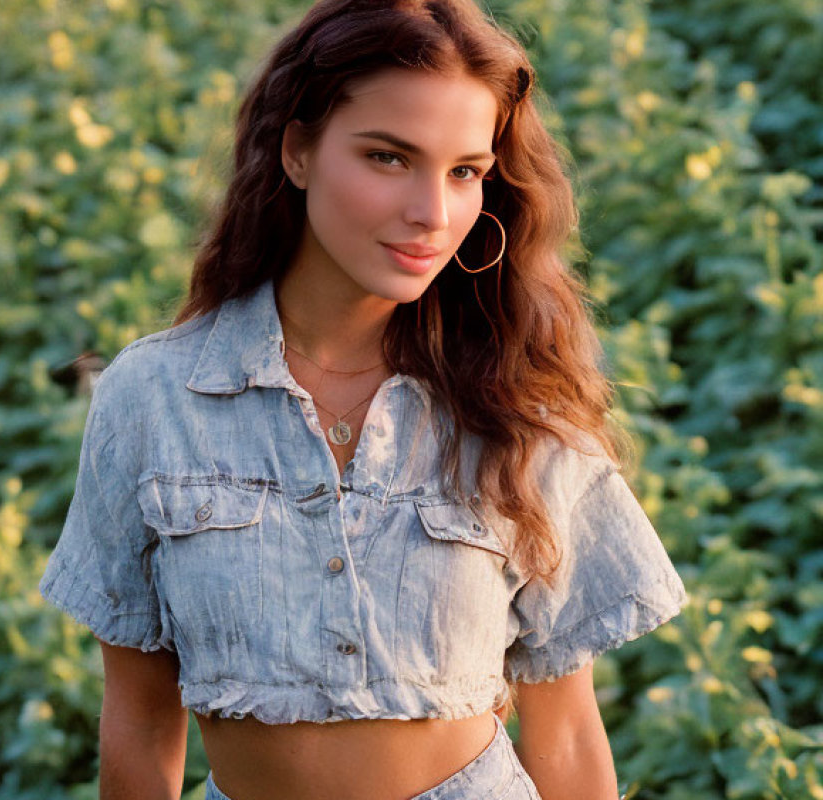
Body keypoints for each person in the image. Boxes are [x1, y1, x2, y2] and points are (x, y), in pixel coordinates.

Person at [38, 1, 688, 798]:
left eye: (464, 172)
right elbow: (138, 723)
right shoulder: (153, 397)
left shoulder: (518, 408)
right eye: (388, 158)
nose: (432, 213)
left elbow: (567, 730)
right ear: (298, 149)